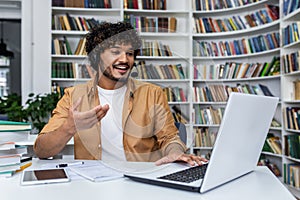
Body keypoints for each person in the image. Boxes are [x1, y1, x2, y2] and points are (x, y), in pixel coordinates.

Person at [34, 21, 207, 166]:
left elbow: (169, 138)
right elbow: (42, 150)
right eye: (115, 52)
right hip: (93, 184)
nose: (124, 59)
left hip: (140, 181)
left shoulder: (152, 93)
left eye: (129, 53)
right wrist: (69, 127)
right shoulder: (73, 96)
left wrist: (175, 153)